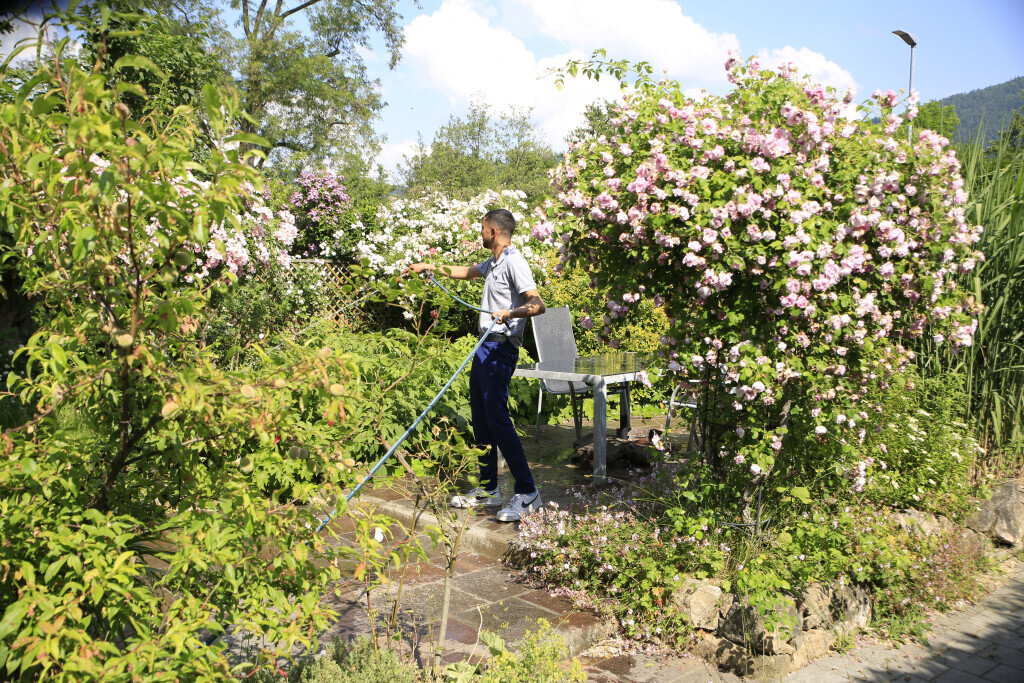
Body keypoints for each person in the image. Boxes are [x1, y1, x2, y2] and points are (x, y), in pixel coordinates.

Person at [409, 209, 546, 522]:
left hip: (501, 348)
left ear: (493, 232)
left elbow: (537, 304)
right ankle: (489, 488)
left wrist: (510, 313)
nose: (480, 234)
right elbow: (466, 271)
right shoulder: (495, 262)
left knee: (498, 419)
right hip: (484, 347)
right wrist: (430, 266)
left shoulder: (514, 261)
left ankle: (528, 492)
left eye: (483, 229)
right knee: (481, 418)